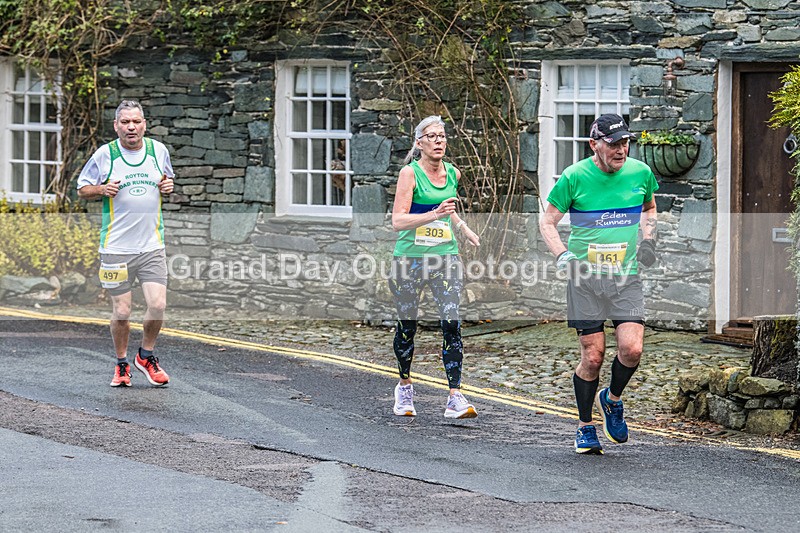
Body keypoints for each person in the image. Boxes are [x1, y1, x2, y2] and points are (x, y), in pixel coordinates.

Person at [539, 113, 659, 454]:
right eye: (613, 144)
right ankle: (584, 426)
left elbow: (650, 207)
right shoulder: (574, 177)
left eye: (625, 143)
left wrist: (648, 240)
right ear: (595, 144)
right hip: (585, 281)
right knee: (593, 356)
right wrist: (564, 256)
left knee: (632, 349)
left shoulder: (640, 173)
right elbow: (547, 222)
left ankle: (613, 398)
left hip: (626, 277)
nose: (621, 150)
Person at [77, 100, 175, 388]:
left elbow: (166, 181)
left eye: (136, 121)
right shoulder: (105, 155)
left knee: (157, 305)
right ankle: (121, 364)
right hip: (115, 250)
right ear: (116, 126)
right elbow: (83, 189)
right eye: (125, 122)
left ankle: (146, 356)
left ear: (145, 123)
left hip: (151, 246)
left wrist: (168, 187)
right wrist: (101, 189)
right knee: (121, 311)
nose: (131, 127)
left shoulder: (158, 150)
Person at [390, 115, 481, 419]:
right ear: (419, 143)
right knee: (407, 326)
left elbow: (449, 210)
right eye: (432, 136)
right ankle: (404, 386)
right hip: (410, 259)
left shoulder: (453, 172)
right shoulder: (409, 174)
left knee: (451, 319)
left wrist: (464, 229)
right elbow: (398, 221)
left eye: (442, 136)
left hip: (445, 257)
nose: (439, 141)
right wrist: (433, 214)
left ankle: (455, 396)